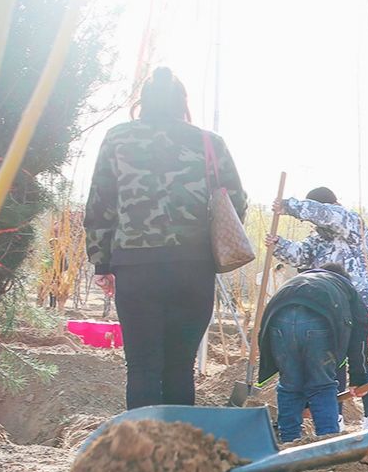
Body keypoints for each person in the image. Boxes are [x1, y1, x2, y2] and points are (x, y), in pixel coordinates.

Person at [85, 68, 247, 409]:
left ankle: (141, 454)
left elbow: (101, 202)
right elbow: (236, 202)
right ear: (181, 102)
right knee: (180, 368)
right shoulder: (208, 142)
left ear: (143, 102)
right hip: (193, 268)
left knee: (142, 366)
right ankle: (179, 452)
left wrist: (102, 262)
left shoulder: (118, 139)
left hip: (136, 267)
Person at [268, 187, 368, 431]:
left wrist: (288, 206)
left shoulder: (350, 222)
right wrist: (278, 244)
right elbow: (300, 256)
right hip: (329, 310)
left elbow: (324, 214)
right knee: (333, 360)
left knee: (357, 357)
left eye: (316, 210)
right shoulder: (318, 238)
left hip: (359, 304)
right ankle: (336, 417)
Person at [255, 264, 368, 442]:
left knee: (289, 386)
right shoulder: (347, 290)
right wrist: (358, 377)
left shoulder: (296, 282)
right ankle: (326, 446)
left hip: (278, 320)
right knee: (322, 386)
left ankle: (288, 445)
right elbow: (359, 336)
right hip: (319, 321)